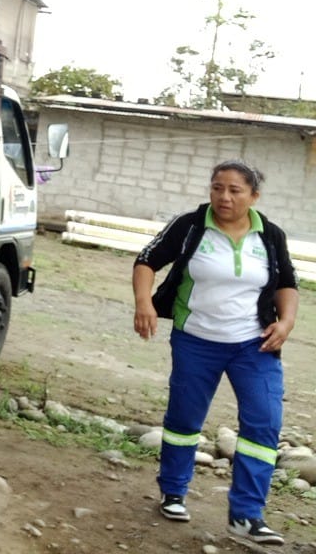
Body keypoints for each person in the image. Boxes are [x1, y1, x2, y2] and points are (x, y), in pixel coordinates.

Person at [133, 159, 297, 546]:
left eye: (235, 190)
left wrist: (286, 322)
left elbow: (286, 283)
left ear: (254, 196)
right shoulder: (190, 226)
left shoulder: (270, 235)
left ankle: (246, 516)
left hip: (255, 344)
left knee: (264, 422)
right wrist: (143, 303)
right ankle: (173, 492)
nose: (224, 197)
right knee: (185, 417)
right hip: (196, 340)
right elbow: (147, 261)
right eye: (217, 188)